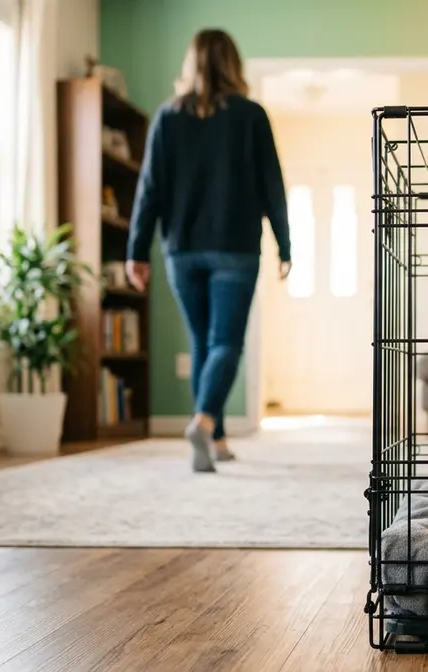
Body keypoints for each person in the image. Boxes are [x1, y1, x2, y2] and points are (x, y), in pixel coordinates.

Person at [126, 28, 291, 473]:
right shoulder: (251, 116)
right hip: (235, 247)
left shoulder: (167, 116)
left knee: (203, 342)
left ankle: (214, 438)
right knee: (225, 343)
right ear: (232, 64)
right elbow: (272, 186)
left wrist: (136, 252)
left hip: (180, 249)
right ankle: (203, 423)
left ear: (191, 64)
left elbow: (149, 190)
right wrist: (284, 244)